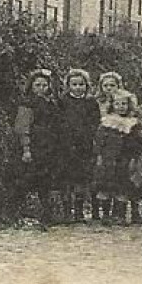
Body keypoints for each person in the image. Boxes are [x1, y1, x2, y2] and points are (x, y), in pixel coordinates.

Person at [12, 68, 63, 227]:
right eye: (37, 85)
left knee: (46, 181)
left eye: (44, 85)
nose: (41, 89)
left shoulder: (51, 104)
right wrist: (26, 148)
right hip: (34, 146)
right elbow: (22, 127)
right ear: (31, 87)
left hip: (50, 147)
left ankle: (47, 215)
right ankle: (16, 213)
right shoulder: (27, 104)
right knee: (27, 180)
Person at [92, 89, 141, 225]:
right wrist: (99, 156)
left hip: (124, 160)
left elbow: (136, 144)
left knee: (122, 186)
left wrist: (133, 159)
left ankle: (119, 214)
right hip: (108, 159)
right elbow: (99, 141)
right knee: (106, 186)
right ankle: (106, 215)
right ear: (112, 105)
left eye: (124, 104)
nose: (121, 107)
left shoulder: (132, 124)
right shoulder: (106, 122)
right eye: (117, 104)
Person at [59, 68, 101, 223]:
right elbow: (59, 121)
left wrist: (88, 136)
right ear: (68, 85)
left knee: (82, 179)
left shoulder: (90, 102)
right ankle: (66, 211)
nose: (78, 88)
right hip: (66, 145)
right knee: (66, 179)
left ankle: (79, 211)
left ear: (86, 85)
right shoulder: (63, 101)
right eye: (74, 84)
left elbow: (95, 122)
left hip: (85, 145)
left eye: (81, 84)